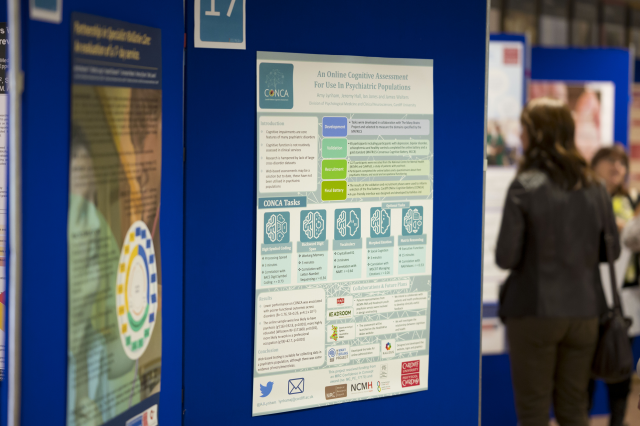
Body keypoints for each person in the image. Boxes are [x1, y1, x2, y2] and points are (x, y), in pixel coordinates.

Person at [496, 98, 620, 426]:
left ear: (538, 134)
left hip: (534, 310)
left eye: (524, 129)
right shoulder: (595, 187)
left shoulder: (524, 185)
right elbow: (613, 252)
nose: (520, 137)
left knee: (534, 411)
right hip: (585, 314)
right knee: (574, 410)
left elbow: (505, 257)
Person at [589, 146, 637, 426]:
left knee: (620, 368)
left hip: (626, 302)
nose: (618, 167)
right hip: (589, 299)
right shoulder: (583, 196)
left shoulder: (631, 199)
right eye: (610, 160)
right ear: (595, 164)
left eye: (622, 162)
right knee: (583, 372)